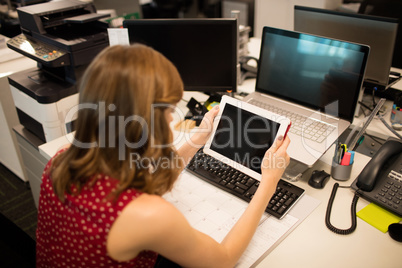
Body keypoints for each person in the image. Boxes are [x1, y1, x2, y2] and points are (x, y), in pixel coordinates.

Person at [36, 44, 291, 268]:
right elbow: (222, 260)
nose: (172, 118)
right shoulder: (149, 216)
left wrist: (196, 139)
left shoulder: (61, 160)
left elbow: (151, 181)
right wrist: (268, 182)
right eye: (169, 109)